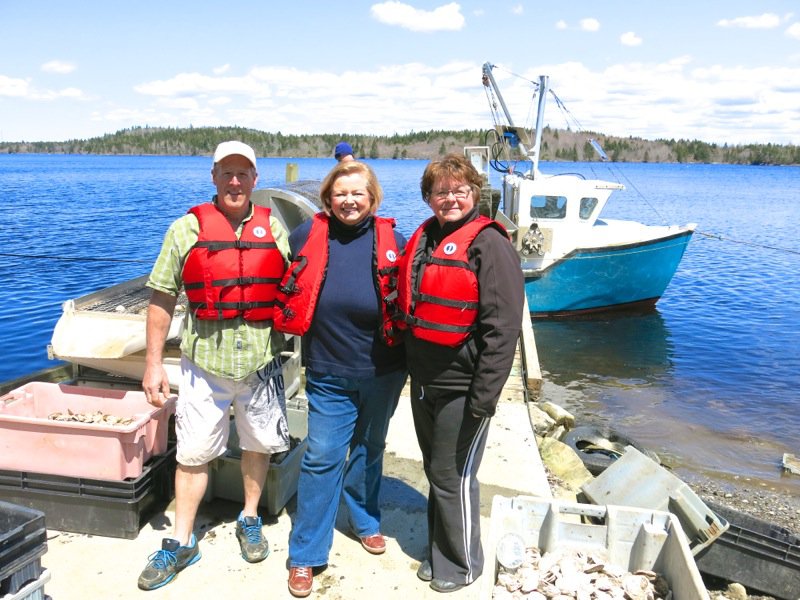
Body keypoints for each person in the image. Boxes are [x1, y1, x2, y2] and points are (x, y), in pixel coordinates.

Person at [137, 141, 291, 591]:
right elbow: (161, 298)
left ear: (255, 180)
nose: (236, 181)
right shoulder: (185, 230)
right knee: (192, 453)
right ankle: (182, 540)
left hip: (262, 363)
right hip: (203, 363)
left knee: (258, 445)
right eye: (227, 172)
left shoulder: (274, 229)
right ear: (214, 177)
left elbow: (295, 287)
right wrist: (153, 365)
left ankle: (249, 518)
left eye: (244, 173)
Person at [273, 160, 407, 598]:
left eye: (358, 194)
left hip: (384, 371)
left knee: (370, 449)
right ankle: (307, 554)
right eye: (340, 193)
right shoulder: (305, 237)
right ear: (328, 198)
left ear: (373, 198)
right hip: (329, 371)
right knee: (321, 456)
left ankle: (365, 519)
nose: (349, 201)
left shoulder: (395, 241)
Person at [397, 153, 524, 593]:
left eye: (459, 190)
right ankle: (439, 552)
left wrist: (484, 398)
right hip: (425, 382)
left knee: (454, 475)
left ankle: (462, 565)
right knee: (437, 472)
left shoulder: (490, 245)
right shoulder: (428, 238)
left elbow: (502, 328)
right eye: (440, 191)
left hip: (463, 387)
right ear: (429, 197)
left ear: (474, 193)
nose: (449, 198)